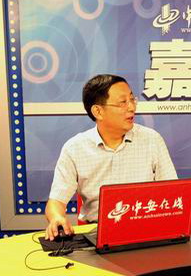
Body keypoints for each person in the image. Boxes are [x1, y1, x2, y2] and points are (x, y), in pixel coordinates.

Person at [44, 74, 177, 240]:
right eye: (122, 102)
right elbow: (56, 201)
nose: (131, 107)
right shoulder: (74, 148)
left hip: (145, 231)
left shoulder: (152, 140)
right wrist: (57, 217)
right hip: (96, 233)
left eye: (132, 99)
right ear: (98, 111)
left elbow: (173, 194)